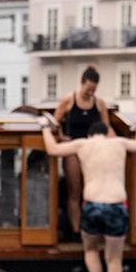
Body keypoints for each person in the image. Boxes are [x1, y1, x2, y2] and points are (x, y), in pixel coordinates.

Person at [41, 114, 136, 272]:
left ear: (90, 136)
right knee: (114, 259)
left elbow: (52, 149)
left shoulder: (83, 145)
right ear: (106, 134)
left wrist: (46, 128)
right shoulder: (119, 143)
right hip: (116, 205)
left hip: (92, 205)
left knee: (90, 250)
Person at [52, 67, 109, 240]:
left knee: (93, 191)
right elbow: (55, 123)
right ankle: (76, 230)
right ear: (82, 84)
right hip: (74, 150)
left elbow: (107, 128)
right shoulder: (69, 100)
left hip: (93, 151)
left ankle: (93, 228)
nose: (90, 93)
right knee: (75, 191)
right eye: (88, 89)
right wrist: (61, 138)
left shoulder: (99, 103)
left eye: (93, 90)